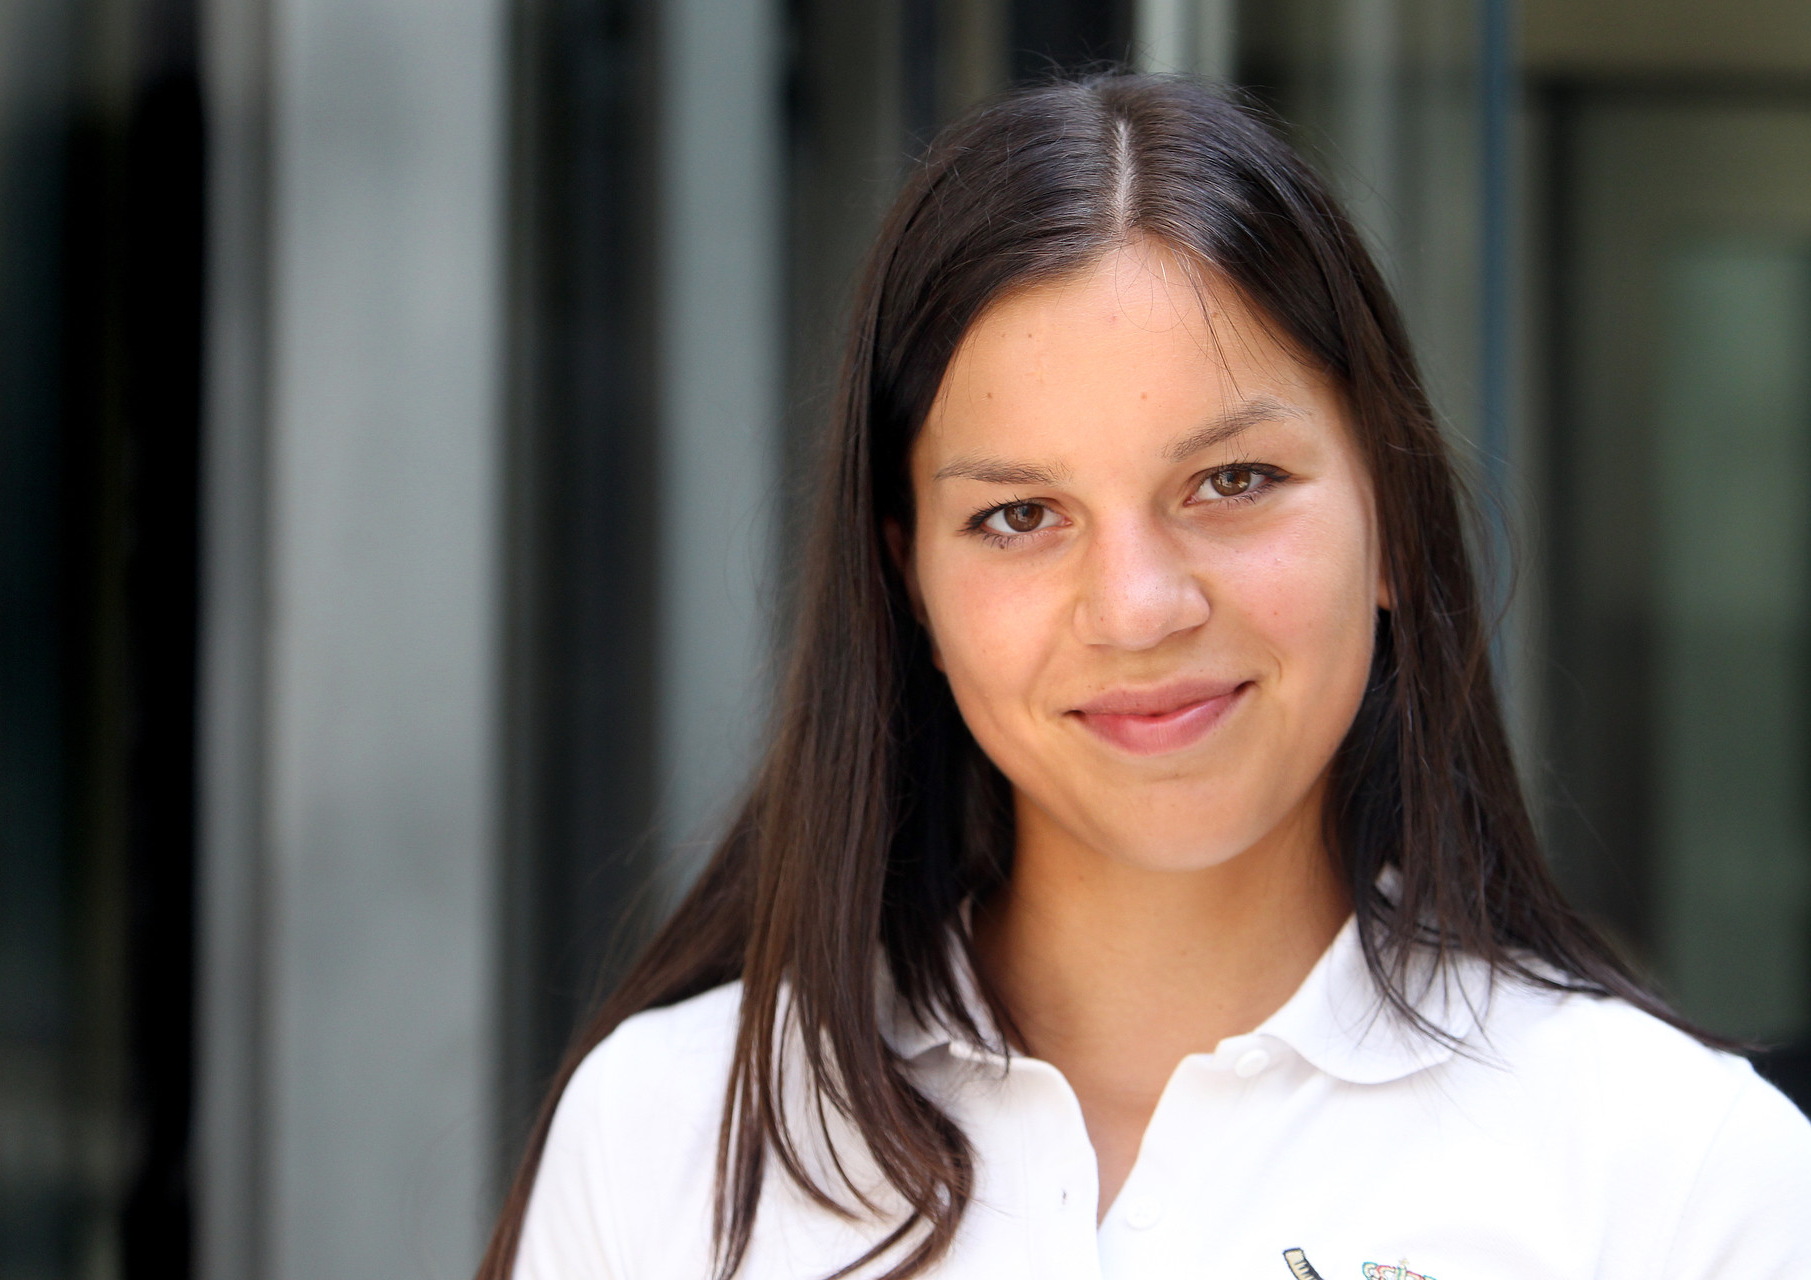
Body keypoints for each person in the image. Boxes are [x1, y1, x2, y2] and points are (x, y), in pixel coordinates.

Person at [480, 74, 1811, 1280]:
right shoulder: (672, 1135)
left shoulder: (1678, 1177)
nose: (1136, 608)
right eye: (1019, 515)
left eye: (1232, 481)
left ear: (1395, 524)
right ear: (911, 585)